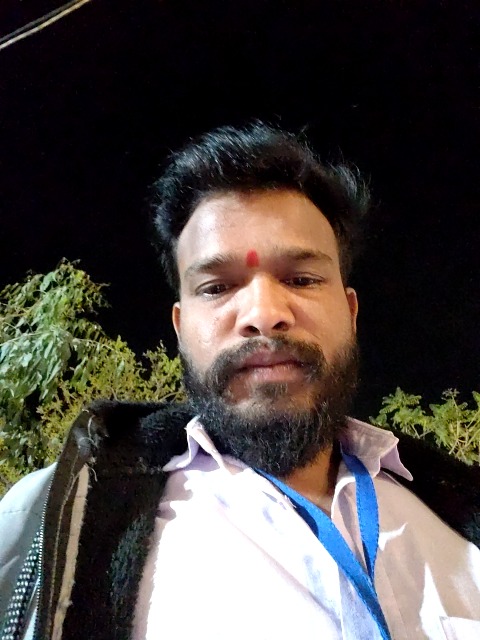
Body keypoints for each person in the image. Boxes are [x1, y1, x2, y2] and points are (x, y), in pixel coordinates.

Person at [1, 123, 479, 640]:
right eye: (217, 287)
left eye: (301, 279)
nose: (264, 313)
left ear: (350, 310)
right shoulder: (48, 522)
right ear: (180, 329)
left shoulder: (458, 516)